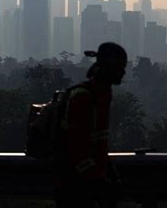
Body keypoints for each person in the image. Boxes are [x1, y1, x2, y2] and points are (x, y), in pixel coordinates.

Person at [53, 42, 127, 208]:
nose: (123, 72)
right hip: (75, 188)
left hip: (90, 185)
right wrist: (100, 183)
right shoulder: (84, 97)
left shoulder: (103, 94)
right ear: (108, 68)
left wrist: (111, 176)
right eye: (120, 67)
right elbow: (75, 149)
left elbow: (97, 145)